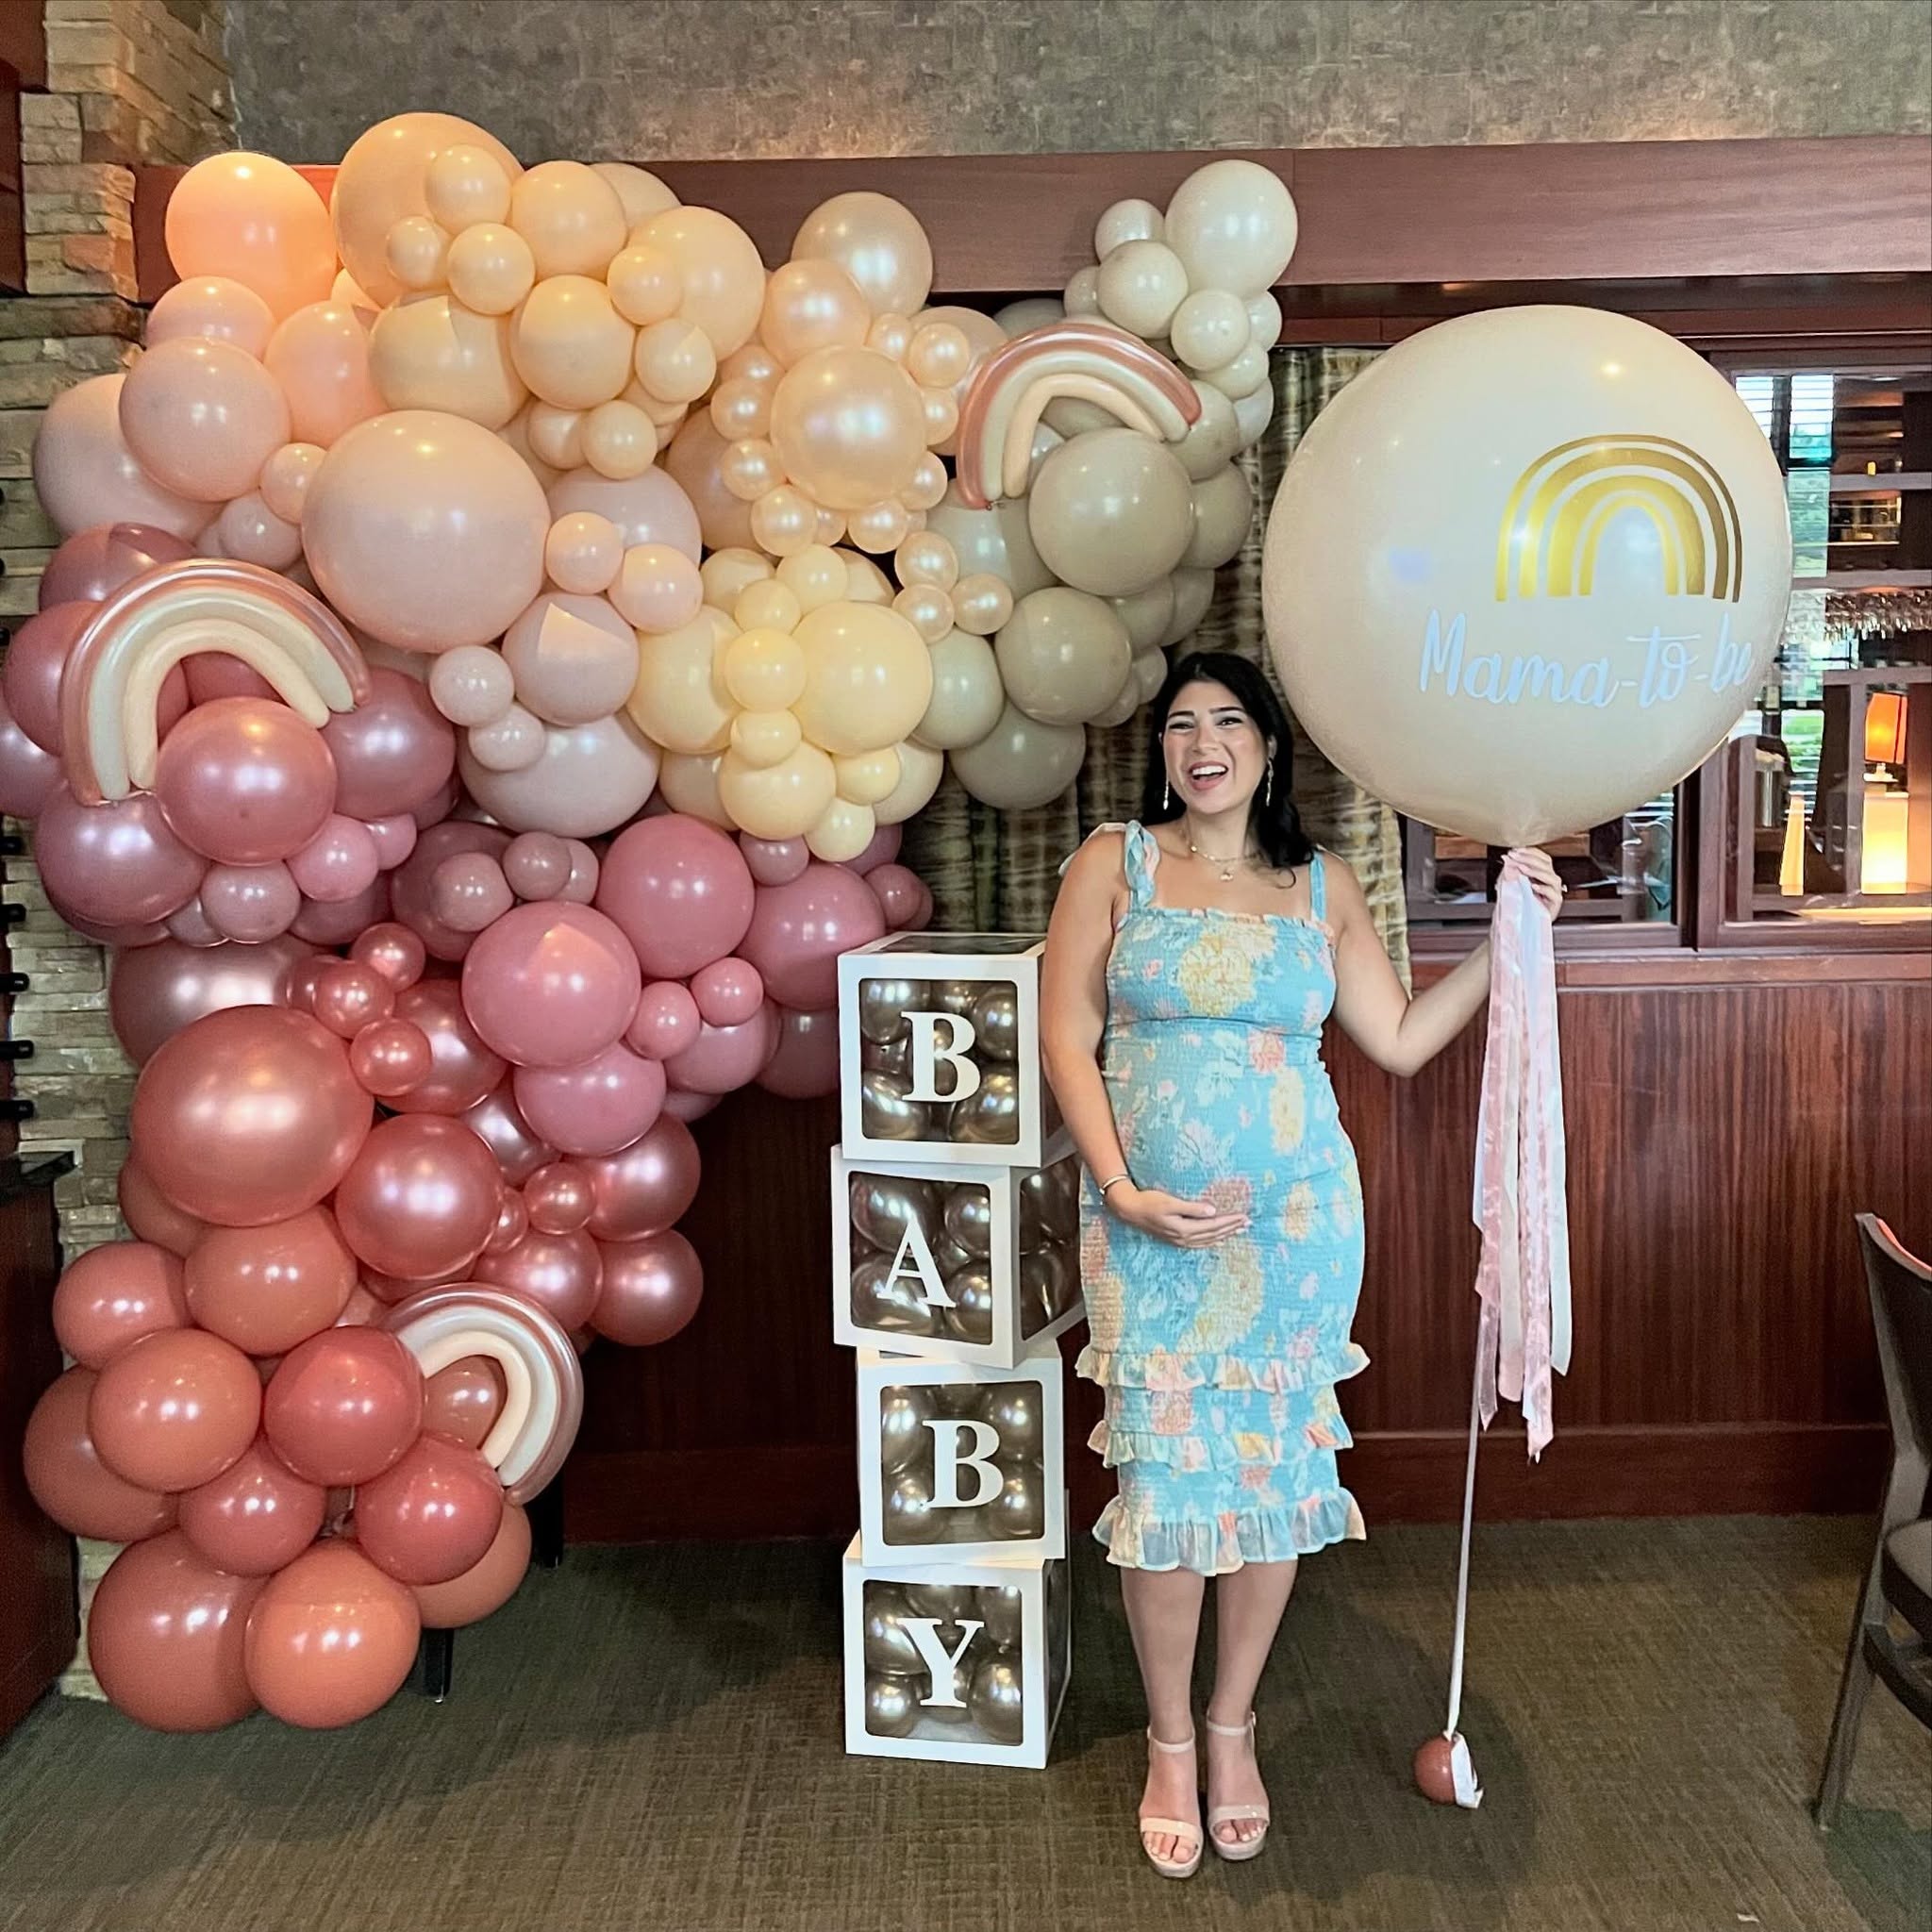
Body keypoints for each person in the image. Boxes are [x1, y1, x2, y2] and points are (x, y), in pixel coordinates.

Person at [1041, 650, 1561, 1878]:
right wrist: (1120, 1189)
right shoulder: (1113, 862)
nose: (1203, 744)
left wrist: (1511, 940)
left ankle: (1232, 1726)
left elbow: (1399, 1038)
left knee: (1270, 1482)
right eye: (1181, 725)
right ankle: (1170, 1739)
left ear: (1270, 746)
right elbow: (1067, 1035)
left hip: (1297, 1229)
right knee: (1168, 1494)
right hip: (1146, 1229)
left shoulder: (1322, 883)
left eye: (1228, 721)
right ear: (1161, 751)